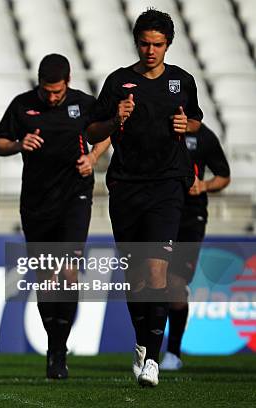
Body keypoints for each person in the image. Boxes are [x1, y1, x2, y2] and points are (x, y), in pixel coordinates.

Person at [85, 9, 203, 387]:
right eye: (145, 43)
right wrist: (115, 119)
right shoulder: (119, 82)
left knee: (157, 271)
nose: (150, 50)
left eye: (158, 44)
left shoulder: (182, 81)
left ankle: (153, 358)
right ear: (136, 43)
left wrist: (189, 125)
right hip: (126, 186)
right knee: (135, 279)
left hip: (167, 185)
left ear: (168, 45)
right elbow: (92, 131)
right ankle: (142, 343)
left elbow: (196, 119)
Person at [0, 54, 110, 379]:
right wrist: (19, 143)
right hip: (36, 200)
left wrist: (93, 157)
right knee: (46, 277)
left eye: (58, 92)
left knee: (69, 271)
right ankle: (53, 344)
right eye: (47, 91)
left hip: (75, 196)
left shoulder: (85, 104)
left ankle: (59, 350)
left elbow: (107, 132)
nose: (53, 97)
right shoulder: (23, 105)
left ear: (67, 83)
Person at [160, 123, 230, 370]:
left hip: (190, 216)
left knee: (176, 283)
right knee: (150, 280)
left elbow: (224, 176)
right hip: (159, 211)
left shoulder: (205, 137)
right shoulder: (160, 127)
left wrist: (204, 185)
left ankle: (173, 353)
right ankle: (145, 349)